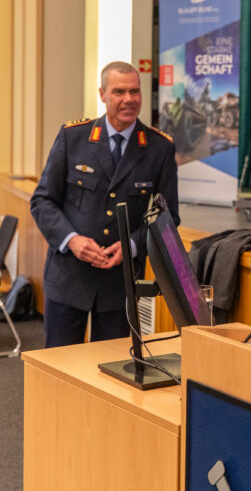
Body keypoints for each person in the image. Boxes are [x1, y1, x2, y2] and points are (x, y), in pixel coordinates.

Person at [31, 61, 180, 348]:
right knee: (61, 369)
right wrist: (72, 240)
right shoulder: (73, 137)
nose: (129, 99)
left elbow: (168, 216)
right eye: (119, 91)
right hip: (68, 277)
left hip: (119, 283)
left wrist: (132, 246)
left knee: (109, 371)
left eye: (135, 91)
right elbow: (42, 201)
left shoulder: (159, 147)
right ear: (102, 94)